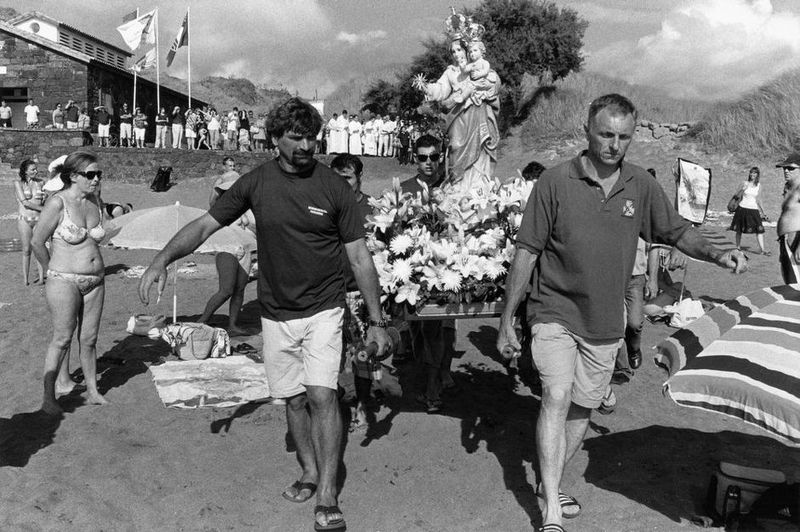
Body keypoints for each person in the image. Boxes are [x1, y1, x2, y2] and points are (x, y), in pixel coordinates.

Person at [496, 94, 748, 530]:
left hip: (604, 320)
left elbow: (675, 232)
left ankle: (546, 481)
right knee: (555, 396)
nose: (614, 144)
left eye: (624, 137)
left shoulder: (640, 185)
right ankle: (551, 508)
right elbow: (526, 252)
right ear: (587, 131)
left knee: (582, 407)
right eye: (606, 134)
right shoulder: (554, 183)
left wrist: (716, 255)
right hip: (553, 308)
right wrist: (505, 319)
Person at [138, 97, 389, 532]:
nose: (306, 144)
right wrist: (162, 259)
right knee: (291, 399)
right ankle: (309, 470)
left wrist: (378, 320)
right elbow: (204, 226)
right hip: (274, 311)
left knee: (323, 396)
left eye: (311, 136)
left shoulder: (334, 188)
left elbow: (361, 258)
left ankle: (328, 494)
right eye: (296, 136)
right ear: (275, 139)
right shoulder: (255, 183)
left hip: (324, 309)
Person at [31, 151, 109, 416]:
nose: (97, 179)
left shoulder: (95, 201)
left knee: (89, 339)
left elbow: (95, 238)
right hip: (63, 279)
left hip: (96, 280)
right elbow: (37, 241)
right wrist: (50, 268)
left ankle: (92, 390)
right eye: (91, 175)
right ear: (73, 176)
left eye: (99, 174)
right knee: (62, 338)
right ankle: (48, 398)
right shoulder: (57, 203)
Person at [401, 134, 458, 413]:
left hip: (446, 268)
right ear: (415, 157)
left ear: (441, 156)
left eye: (433, 157)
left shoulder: (452, 186)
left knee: (440, 328)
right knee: (419, 330)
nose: (428, 162)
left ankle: (433, 385)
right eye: (422, 157)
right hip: (414, 269)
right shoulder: (404, 188)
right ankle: (431, 375)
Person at [414, 26, 500, 191]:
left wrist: (483, 84)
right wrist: (427, 88)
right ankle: (459, 185)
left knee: (480, 150)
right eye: (453, 51)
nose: (456, 54)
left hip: (478, 116)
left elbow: (494, 83)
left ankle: (478, 184)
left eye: (459, 49)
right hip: (459, 119)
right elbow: (440, 89)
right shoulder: (451, 72)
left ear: (467, 50)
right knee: (456, 148)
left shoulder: (478, 67)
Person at [329, 153, 375, 431]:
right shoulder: (326, 207)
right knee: (332, 354)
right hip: (330, 291)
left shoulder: (373, 209)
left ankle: (363, 407)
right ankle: (332, 407)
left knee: (362, 355)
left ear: (359, 178)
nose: (341, 183)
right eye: (336, 178)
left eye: (347, 177)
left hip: (360, 294)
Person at [198, 157, 252, 335]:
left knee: (239, 289)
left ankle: (233, 325)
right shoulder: (221, 207)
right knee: (226, 289)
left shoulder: (248, 204)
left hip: (246, 249)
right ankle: (202, 320)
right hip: (227, 248)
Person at [14, 159, 45, 285]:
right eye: (33, 169)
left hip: (38, 219)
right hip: (24, 220)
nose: (36, 171)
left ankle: (42, 278)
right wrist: (44, 209)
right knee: (26, 249)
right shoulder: (18, 183)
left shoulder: (41, 182)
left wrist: (45, 199)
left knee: (38, 248)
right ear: (25, 171)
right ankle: (25, 280)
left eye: (36, 169)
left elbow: (43, 200)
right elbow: (25, 202)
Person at [729, 166, 769, 255]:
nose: (752, 174)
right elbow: (736, 195)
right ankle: (738, 248)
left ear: (758, 175)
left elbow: (759, 199)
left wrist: (763, 212)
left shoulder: (759, 185)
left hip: (754, 209)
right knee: (739, 229)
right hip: (742, 208)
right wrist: (743, 189)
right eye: (751, 172)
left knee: (759, 229)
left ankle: (762, 250)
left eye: (754, 173)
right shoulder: (744, 183)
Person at [777, 153, 800, 283]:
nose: (786, 171)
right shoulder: (789, 186)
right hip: (787, 238)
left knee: (796, 283)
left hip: (797, 238)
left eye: (791, 168)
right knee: (790, 279)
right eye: (784, 168)